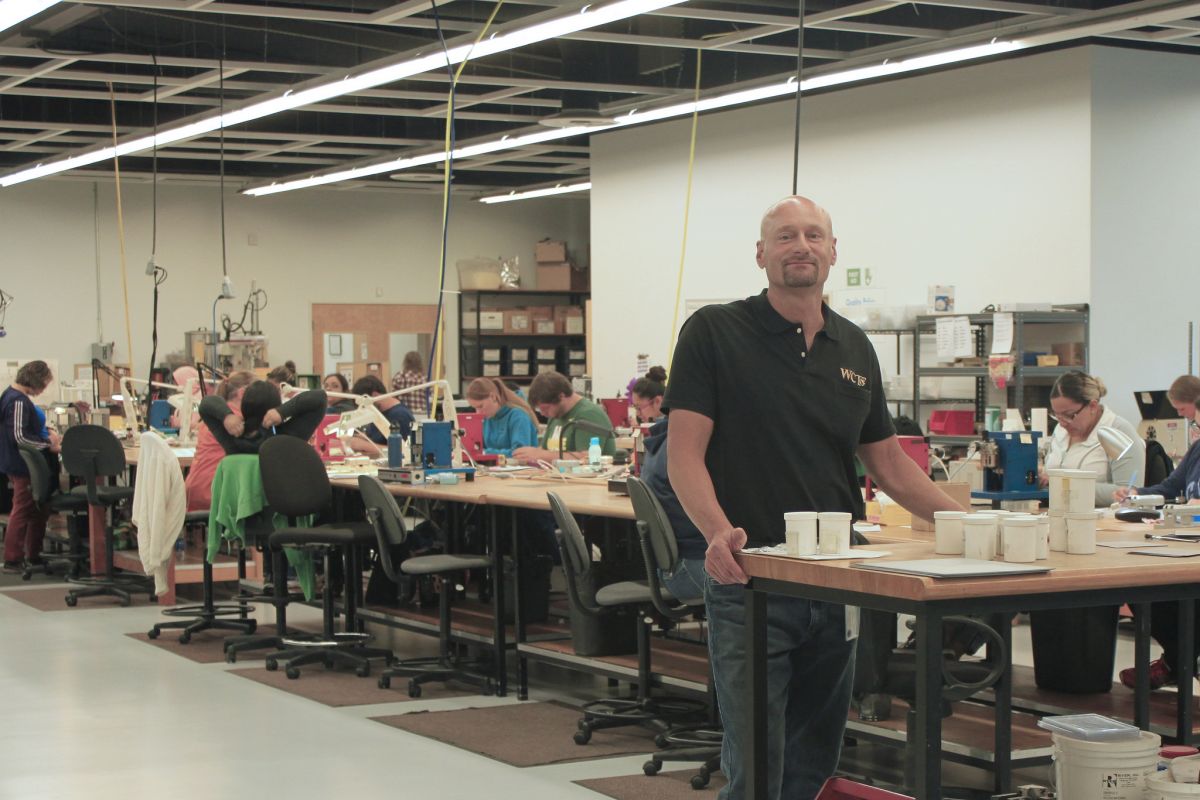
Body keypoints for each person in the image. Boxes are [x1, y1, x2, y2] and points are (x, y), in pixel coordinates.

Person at [664, 196, 966, 800]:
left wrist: (975, 525)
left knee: (816, 756)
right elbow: (684, 456)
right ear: (761, 254)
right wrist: (718, 531)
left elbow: (888, 465)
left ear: (833, 251)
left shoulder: (855, 348)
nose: (800, 245)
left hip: (837, 581)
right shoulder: (715, 332)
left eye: (813, 235)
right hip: (752, 578)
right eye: (784, 236)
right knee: (757, 765)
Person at [1113, 374, 1200, 690]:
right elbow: (1170, 487)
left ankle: (1179, 661)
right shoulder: (1197, 450)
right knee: (1141, 592)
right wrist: (1136, 493)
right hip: (1184, 544)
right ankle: (1180, 660)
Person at [1040, 371, 1144, 506]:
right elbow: (1050, 478)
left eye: (1069, 415)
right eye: (1057, 416)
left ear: (1092, 406)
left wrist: (1061, 485)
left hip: (1103, 521)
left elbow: (1128, 492)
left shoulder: (1118, 432)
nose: (1062, 423)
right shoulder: (1061, 430)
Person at [1, 361, 61, 571]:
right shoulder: (17, 401)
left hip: (23, 464)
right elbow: (20, 437)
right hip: (23, 465)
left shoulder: (13, 397)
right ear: (35, 381)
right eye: (44, 385)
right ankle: (13, 558)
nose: (43, 389)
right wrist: (49, 444)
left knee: (38, 509)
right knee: (23, 508)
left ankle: (33, 554)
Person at [639, 414, 705, 603]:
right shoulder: (685, 453)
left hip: (675, 565)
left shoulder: (662, 441)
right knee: (777, 590)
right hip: (690, 566)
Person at [185, 370, 255, 511]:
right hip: (213, 493)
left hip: (193, 490)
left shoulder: (214, 416)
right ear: (243, 393)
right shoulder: (238, 422)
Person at [512, 371, 614, 464]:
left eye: (545, 408)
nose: (542, 414)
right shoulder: (556, 415)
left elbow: (587, 458)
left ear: (561, 396)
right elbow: (544, 450)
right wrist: (528, 456)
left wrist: (540, 455)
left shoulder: (589, 414)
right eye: (539, 410)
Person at [199, 381, 326, 456]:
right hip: (278, 501)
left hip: (242, 502)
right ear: (277, 404)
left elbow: (206, 403)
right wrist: (283, 411)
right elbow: (320, 397)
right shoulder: (288, 437)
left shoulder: (232, 440)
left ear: (244, 406)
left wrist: (226, 415)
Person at [464, 377, 538, 458]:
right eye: (475, 408)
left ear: (493, 397)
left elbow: (519, 453)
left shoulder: (518, 416)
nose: (478, 413)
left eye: (480, 406)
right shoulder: (487, 417)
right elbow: (479, 448)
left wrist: (486, 453)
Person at [342, 374, 414, 457]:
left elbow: (404, 451)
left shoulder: (401, 416)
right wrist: (364, 438)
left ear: (375, 395)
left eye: (364, 405)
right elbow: (378, 440)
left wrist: (363, 445)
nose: (364, 408)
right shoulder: (378, 413)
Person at [391, 350, 430, 417]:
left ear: (405, 362)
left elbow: (393, 398)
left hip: (403, 414)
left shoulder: (399, 377)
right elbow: (431, 397)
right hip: (422, 415)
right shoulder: (425, 378)